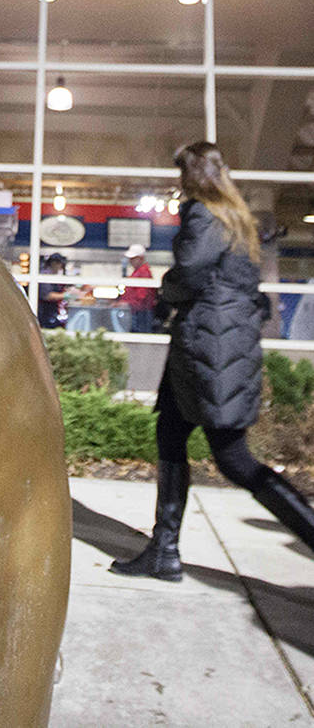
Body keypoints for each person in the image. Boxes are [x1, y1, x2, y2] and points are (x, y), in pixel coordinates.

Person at [110, 142, 314, 581]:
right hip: (214, 344)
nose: (178, 182)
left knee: (235, 460)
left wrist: (165, 294)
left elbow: (191, 273)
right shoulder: (237, 218)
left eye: (182, 173)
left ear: (194, 176)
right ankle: (164, 551)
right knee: (170, 431)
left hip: (208, 348)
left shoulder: (204, 214)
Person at [120, 243, 156, 333]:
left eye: (133, 259)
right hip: (136, 311)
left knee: (139, 335)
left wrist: (126, 304)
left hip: (141, 313)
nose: (131, 261)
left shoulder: (143, 273)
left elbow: (142, 296)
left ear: (141, 258)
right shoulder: (138, 272)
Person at [37, 253, 69, 329]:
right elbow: (47, 295)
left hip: (53, 311)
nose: (60, 267)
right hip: (44, 312)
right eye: (59, 264)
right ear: (53, 263)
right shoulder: (45, 275)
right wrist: (66, 295)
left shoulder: (53, 275)